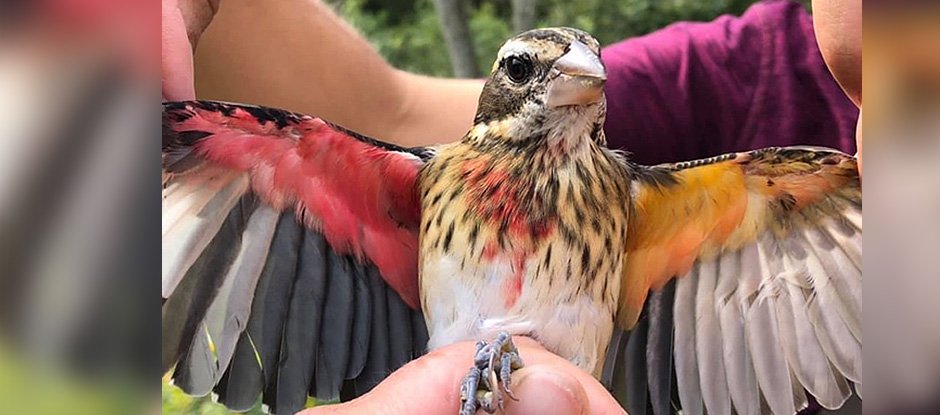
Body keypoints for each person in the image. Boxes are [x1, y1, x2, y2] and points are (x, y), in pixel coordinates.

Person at [161, 0, 861, 413]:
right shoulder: (415, 184)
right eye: (528, 72)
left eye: (584, 73)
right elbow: (389, 108)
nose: (572, 81)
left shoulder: (664, 202)